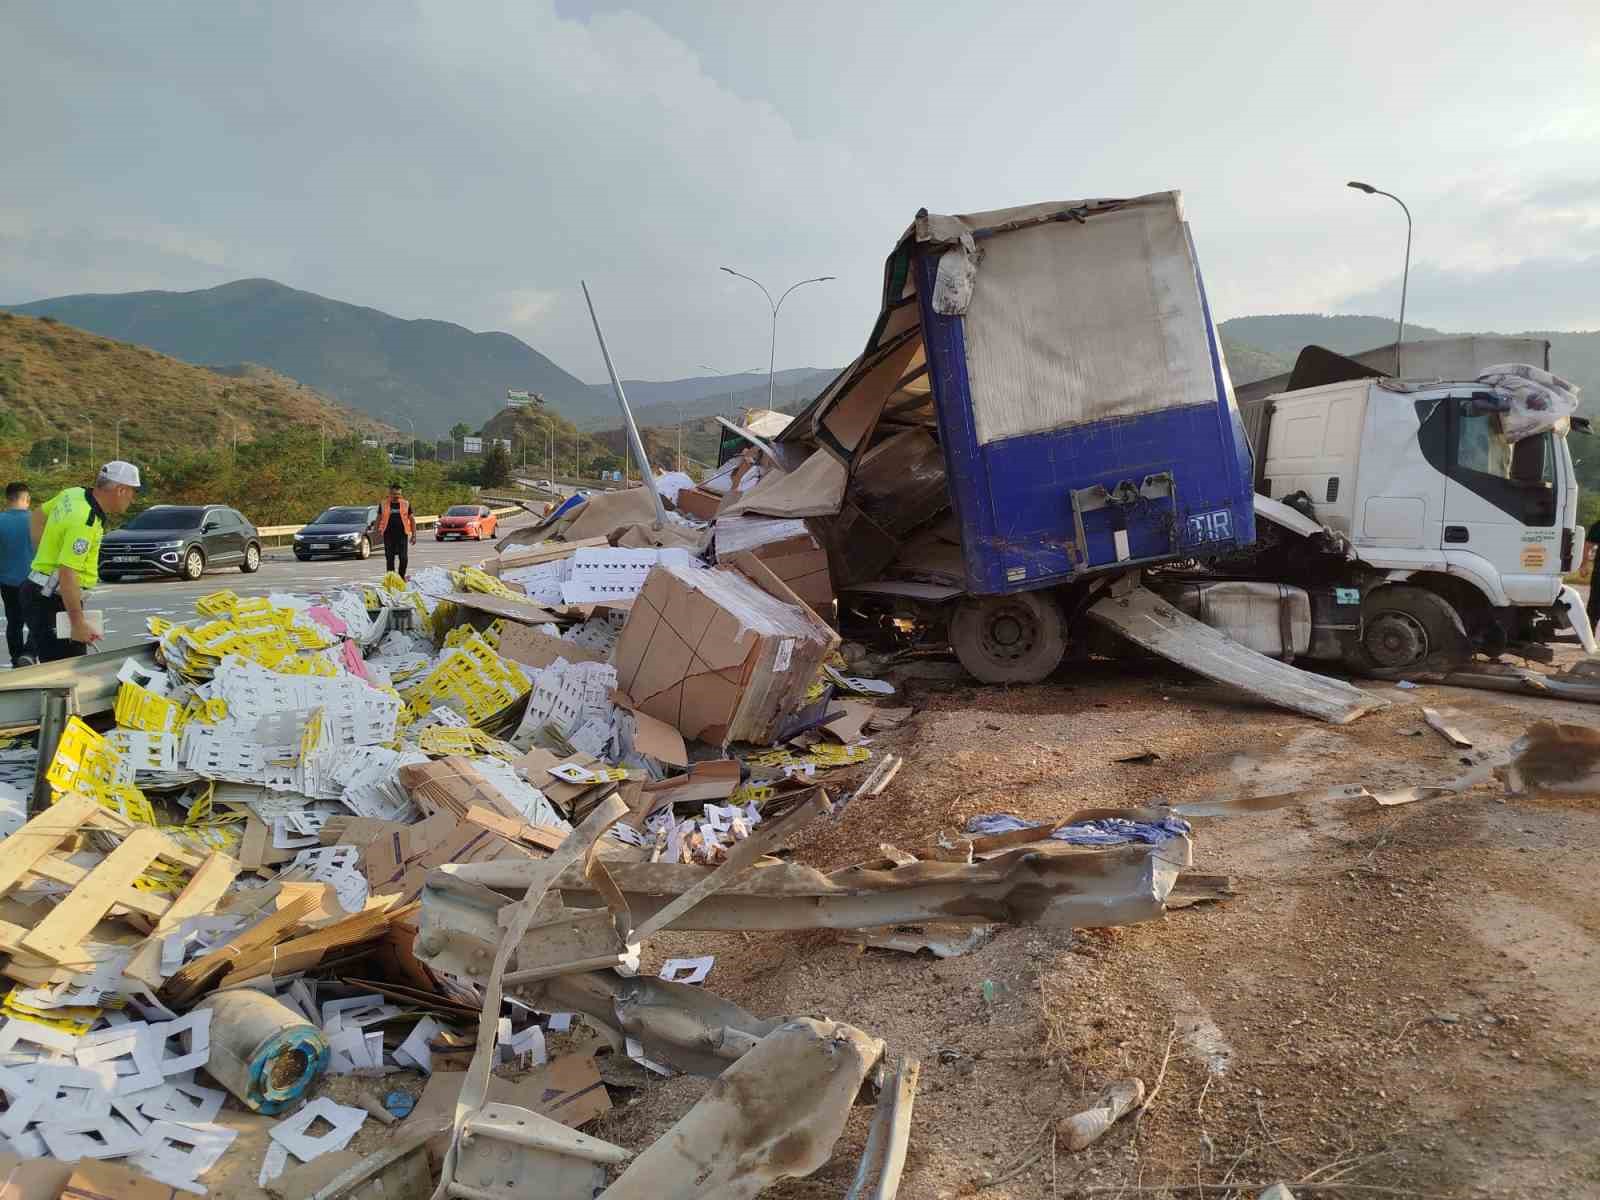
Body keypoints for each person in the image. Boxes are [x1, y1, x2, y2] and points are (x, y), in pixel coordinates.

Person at [23, 461, 140, 662]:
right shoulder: (85, 521)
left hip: (42, 591)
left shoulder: (73, 493)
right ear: (120, 490)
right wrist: (77, 625)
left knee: (55, 667)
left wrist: (45, 555)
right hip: (52, 599)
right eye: (132, 492)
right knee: (65, 673)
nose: (133, 499)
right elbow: (67, 574)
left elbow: (37, 516)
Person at [0, 482, 33, 668]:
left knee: (14, 622)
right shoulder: (37, 520)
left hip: (6, 581)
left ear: (8, 498)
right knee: (38, 620)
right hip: (35, 580)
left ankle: (16, 659)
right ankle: (29, 654)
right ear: (26, 499)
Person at [376, 480, 416, 579]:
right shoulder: (383, 504)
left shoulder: (406, 504)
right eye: (394, 494)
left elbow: (412, 519)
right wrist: (376, 532)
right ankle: (392, 579)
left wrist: (414, 535)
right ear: (390, 493)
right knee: (390, 558)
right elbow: (378, 518)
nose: (396, 496)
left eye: (398, 494)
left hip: (402, 535)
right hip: (388, 535)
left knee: (403, 558)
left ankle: (401, 577)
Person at [1587, 518, 1600, 633]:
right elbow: (1588, 545)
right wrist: (1583, 565)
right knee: (1594, 605)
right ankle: (1589, 636)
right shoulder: (1598, 525)